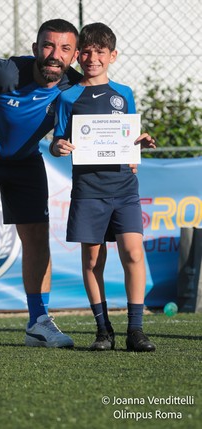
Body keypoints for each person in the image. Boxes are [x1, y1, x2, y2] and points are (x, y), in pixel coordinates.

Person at [0, 19, 82, 352]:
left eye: (65, 48)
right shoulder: (5, 73)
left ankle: (38, 323)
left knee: (37, 235)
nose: (55, 55)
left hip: (24, 160)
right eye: (49, 46)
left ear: (75, 55)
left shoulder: (74, 88)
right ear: (36, 49)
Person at [50, 22, 157, 352]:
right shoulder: (67, 97)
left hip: (124, 187)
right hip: (88, 189)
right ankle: (103, 330)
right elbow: (57, 140)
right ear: (79, 55)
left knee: (133, 253)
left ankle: (135, 330)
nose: (92, 57)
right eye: (86, 51)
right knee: (93, 261)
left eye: (100, 51)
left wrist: (139, 143)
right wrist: (59, 147)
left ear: (113, 55)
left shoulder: (124, 94)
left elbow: (130, 136)